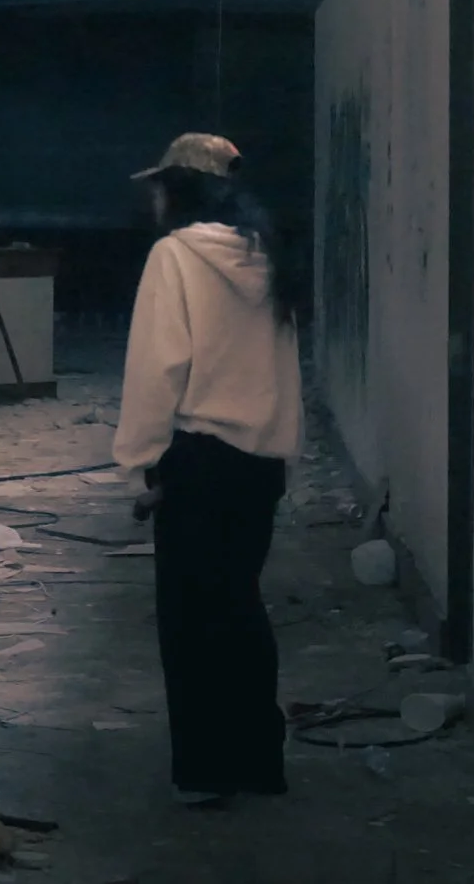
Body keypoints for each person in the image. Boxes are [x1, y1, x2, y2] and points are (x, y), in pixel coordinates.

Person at [113, 132, 303, 806]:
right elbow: (282, 364)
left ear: (180, 189)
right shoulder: (267, 254)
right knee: (241, 606)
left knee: (191, 622)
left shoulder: (175, 256)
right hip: (258, 464)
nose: (155, 197)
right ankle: (258, 760)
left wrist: (138, 460)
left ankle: (208, 768)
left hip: (198, 460)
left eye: (162, 185)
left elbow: (157, 365)